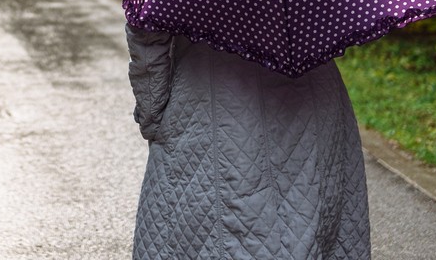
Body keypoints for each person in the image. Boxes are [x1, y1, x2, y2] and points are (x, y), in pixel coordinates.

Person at [126, 24, 371, 259]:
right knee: (306, 217)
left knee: (219, 229)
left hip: (210, 98)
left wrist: (153, 116)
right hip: (312, 92)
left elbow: (147, 37)